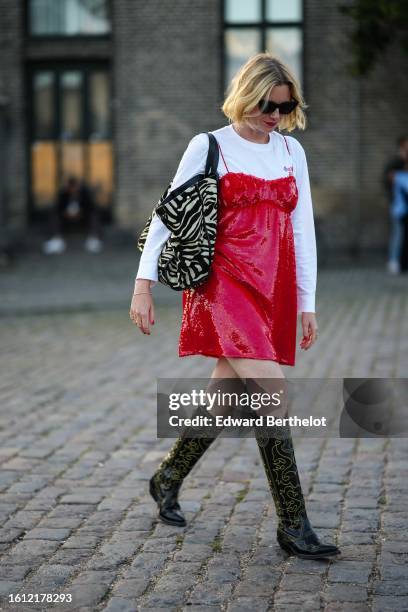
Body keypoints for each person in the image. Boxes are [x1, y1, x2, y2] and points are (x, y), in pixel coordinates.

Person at [130, 53, 340, 559]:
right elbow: (166, 217)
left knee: (225, 397)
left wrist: (307, 303)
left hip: (275, 287)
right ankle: (293, 525)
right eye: (267, 104)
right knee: (272, 393)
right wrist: (143, 283)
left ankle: (167, 477)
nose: (274, 114)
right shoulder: (209, 146)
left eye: (284, 108)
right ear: (247, 94)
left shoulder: (292, 152)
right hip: (223, 285)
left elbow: (303, 230)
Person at [42, 176, 104, 255]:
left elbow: (91, 207)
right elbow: (58, 208)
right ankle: (56, 240)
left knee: (93, 216)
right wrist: (65, 214)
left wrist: (81, 213)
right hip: (66, 220)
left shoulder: (85, 194)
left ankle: (93, 240)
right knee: (54, 216)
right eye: (71, 187)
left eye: (75, 187)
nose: (73, 189)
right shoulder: (63, 195)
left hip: (82, 219)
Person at [383, 136, 408, 274]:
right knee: (397, 234)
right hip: (397, 205)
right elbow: (388, 178)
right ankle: (393, 260)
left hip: (403, 205)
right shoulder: (395, 162)